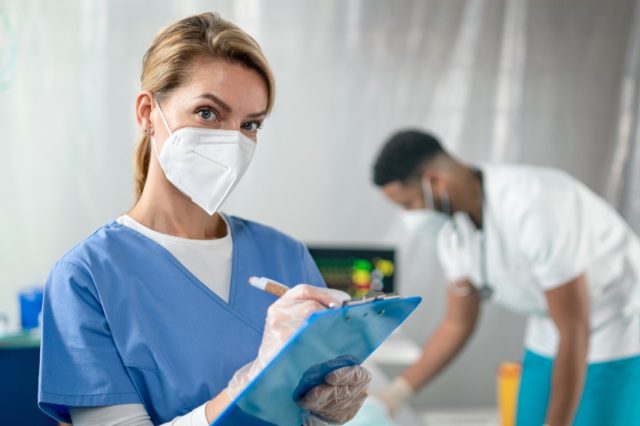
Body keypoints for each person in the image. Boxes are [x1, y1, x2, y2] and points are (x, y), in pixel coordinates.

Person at [38, 13, 371, 426]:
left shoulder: (286, 255)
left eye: (250, 124)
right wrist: (247, 387)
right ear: (147, 113)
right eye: (208, 113)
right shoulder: (87, 278)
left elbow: (307, 415)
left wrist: (330, 410)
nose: (232, 140)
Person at [371, 130, 640, 425]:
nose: (409, 217)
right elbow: (457, 323)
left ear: (434, 181)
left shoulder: (533, 204)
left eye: (408, 204)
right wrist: (397, 393)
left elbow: (575, 327)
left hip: (614, 326)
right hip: (550, 326)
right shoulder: (451, 232)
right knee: (530, 417)